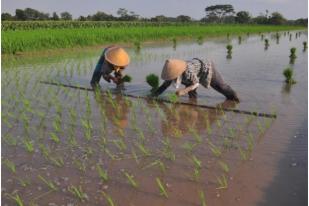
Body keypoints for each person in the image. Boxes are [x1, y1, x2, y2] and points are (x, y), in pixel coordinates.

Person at [152, 58, 240, 102]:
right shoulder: (172, 75)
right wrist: (153, 95)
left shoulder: (188, 72)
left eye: (173, 77)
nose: (171, 79)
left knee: (221, 87)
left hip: (207, 68)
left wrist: (184, 91)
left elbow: (196, 83)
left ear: (177, 73)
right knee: (191, 93)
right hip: (194, 74)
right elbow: (164, 86)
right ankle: (193, 105)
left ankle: (235, 99)